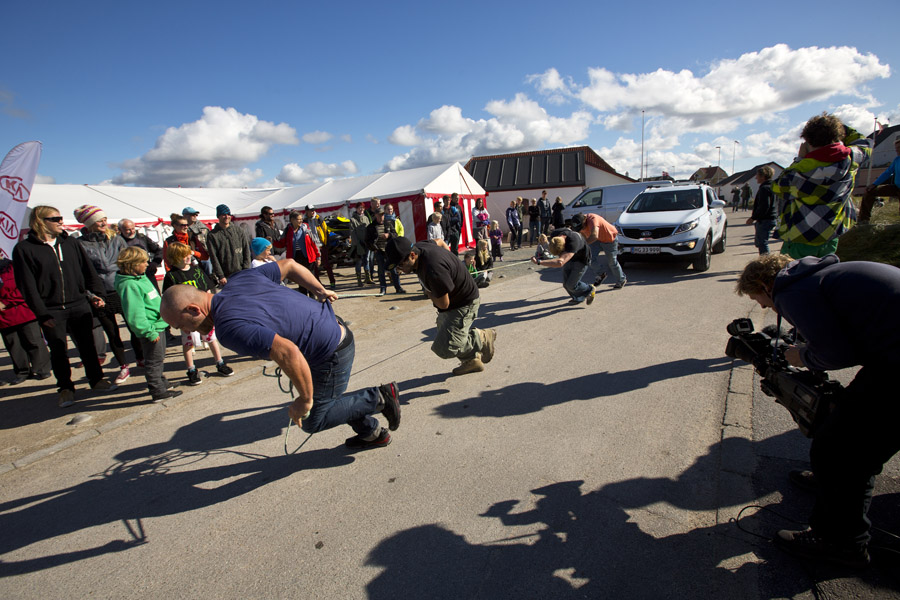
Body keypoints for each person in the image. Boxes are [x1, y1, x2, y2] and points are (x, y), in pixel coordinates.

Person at [735, 253, 900, 568]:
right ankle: (833, 483)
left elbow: (836, 352)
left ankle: (841, 542)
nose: (763, 307)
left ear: (764, 284)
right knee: (849, 436)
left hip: (894, 365)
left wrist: (802, 357)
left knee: (841, 449)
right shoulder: (819, 277)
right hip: (889, 358)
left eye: (760, 300)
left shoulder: (791, 291)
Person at [159, 258, 402, 451]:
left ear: (193, 309)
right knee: (327, 396)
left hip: (330, 351)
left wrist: (304, 400)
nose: (186, 331)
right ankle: (371, 433)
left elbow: (288, 352)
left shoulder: (228, 329)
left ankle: (379, 398)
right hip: (331, 332)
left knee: (313, 419)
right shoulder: (239, 280)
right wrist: (319, 289)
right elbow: (289, 265)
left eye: (182, 325)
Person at [12, 206, 116, 407]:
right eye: (56, 218)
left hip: (79, 303)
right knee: (59, 350)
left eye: (61, 217)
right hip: (51, 309)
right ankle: (66, 388)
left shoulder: (69, 243)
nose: (61, 221)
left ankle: (96, 380)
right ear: (41, 221)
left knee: (88, 346)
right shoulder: (25, 250)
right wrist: (42, 314)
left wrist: (97, 294)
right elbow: (27, 286)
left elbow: (87, 270)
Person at [386, 236, 496, 376]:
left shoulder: (433, 269)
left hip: (464, 303)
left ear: (412, 255)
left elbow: (443, 304)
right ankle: (471, 360)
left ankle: (480, 337)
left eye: (400, 265)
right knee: (445, 331)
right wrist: (452, 261)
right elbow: (440, 241)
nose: (399, 269)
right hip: (455, 300)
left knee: (444, 348)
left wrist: (429, 292)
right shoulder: (421, 246)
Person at [773, 113, 872, 259]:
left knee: (793, 278)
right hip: (831, 235)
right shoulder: (850, 159)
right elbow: (864, 143)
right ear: (837, 136)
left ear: (808, 141)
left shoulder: (800, 171)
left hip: (801, 237)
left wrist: (799, 158)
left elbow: (778, 187)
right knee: (823, 275)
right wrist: (837, 128)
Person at [73, 204, 132, 385]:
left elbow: (128, 261)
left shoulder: (116, 238)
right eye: (99, 220)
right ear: (89, 222)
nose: (104, 222)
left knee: (134, 326)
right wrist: (91, 295)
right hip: (101, 293)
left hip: (121, 287)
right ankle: (123, 366)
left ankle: (142, 358)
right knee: (112, 332)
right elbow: (81, 273)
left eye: (105, 219)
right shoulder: (80, 244)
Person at [115, 247, 183, 401]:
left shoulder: (140, 277)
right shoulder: (129, 285)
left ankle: (161, 381)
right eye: (144, 262)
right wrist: (148, 331)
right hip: (150, 328)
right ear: (133, 264)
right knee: (153, 360)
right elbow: (135, 313)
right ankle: (157, 390)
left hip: (158, 324)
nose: (147, 264)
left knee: (159, 357)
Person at [161, 242, 234, 386]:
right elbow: (169, 298)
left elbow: (207, 289)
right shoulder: (171, 276)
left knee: (211, 338)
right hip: (186, 317)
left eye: (189, 253)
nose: (189, 256)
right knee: (188, 343)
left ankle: (219, 362)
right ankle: (191, 369)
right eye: (185, 255)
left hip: (204, 315)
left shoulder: (197, 270)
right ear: (176, 257)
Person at [0, 258, 50, 385]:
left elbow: (24, 287)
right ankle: (22, 372)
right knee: (14, 345)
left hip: (23, 311)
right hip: (3, 317)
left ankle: (42, 369)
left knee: (33, 341)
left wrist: (6, 301)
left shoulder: (14, 266)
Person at [531, 229, 595, 305]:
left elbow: (560, 262)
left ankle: (590, 289)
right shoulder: (556, 235)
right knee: (566, 284)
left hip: (581, 260)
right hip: (570, 259)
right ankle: (579, 297)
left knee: (571, 285)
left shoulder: (573, 242)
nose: (559, 255)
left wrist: (539, 262)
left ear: (564, 247)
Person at [570, 212, 626, 289]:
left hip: (609, 239)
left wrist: (582, 246)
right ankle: (601, 274)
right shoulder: (579, 224)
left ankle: (621, 280)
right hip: (596, 240)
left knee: (612, 262)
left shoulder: (593, 219)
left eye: (582, 227)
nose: (582, 229)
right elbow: (582, 235)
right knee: (589, 258)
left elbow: (594, 235)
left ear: (584, 221)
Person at [206, 204, 251, 287]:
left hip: (241, 271)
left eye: (228, 214)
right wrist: (220, 275)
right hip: (226, 275)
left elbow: (246, 250)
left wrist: (246, 269)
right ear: (218, 216)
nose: (226, 217)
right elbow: (213, 257)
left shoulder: (239, 230)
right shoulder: (212, 235)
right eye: (223, 214)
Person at [858, 136, 900, 224]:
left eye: (899, 148)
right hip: (896, 187)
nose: (897, 150)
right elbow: (887, 173)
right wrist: (874, 184)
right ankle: (863, 220)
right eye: (896, 149)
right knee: (870, 192)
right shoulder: (897, 160)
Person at [366, 207, 406, 295]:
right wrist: (374, 249)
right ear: (376, 215)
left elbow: (395, 234)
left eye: (382, 215)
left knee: (393, 270)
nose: (381, 217)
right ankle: (383, 289)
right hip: (379, 250)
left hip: (389, 250)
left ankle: (398, 287)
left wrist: (389, 235)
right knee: (381, 271)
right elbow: (367, 241)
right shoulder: (371, 227)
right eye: (379, 215)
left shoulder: (388, 224)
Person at [118, 219, 163, 292]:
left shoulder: (142, 238)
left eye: (133, 228)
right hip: (131, 277)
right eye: (128, 230)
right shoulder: (118, 241)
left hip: (147, 273)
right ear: (120, 229)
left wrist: (155, 263)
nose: (132, 231)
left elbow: (159, 250)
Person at [745, 166, 777, 255]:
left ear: (763, 176)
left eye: (757, 176)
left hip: (765, 219)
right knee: (760, 242)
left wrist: (753, 218)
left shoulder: (764, 188)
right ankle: (765, 261)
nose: (756, 178)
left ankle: (766, 263)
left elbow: (764, 206)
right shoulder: (771, 186)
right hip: (769, 218)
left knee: (762, 243)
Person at [304, 205, 336, 290]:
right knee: (315, 266)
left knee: (326, 264)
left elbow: (325, 231)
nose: (312, 212)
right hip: (312, 246)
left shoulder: (319, 219)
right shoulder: (304, 221)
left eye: (313, 210)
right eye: (310, 210)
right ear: (306, 211)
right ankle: (318, 283)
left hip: (321, 245)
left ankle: (332, 281)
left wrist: (326, 244)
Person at [348, 202, 372, 287]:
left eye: (362, 208)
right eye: (359, 208)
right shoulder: (352, 220)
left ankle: (368, 278)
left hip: (366, 244)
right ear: (356, 209)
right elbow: (353, 233)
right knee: (358, 262)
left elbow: (369, 230)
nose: (361, 210)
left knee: (367, 261)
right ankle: (359, 280)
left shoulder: (366, 218)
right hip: (358, 245)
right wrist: (358, 244)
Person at [182, 207, 212, 274]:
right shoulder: (181, 228)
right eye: (192, 215)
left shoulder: (202, 227)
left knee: (208, 272)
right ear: (185, 216)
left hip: (204, 255)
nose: (195, 216)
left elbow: (209, 242)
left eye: (196, 215)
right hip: (189, 256)